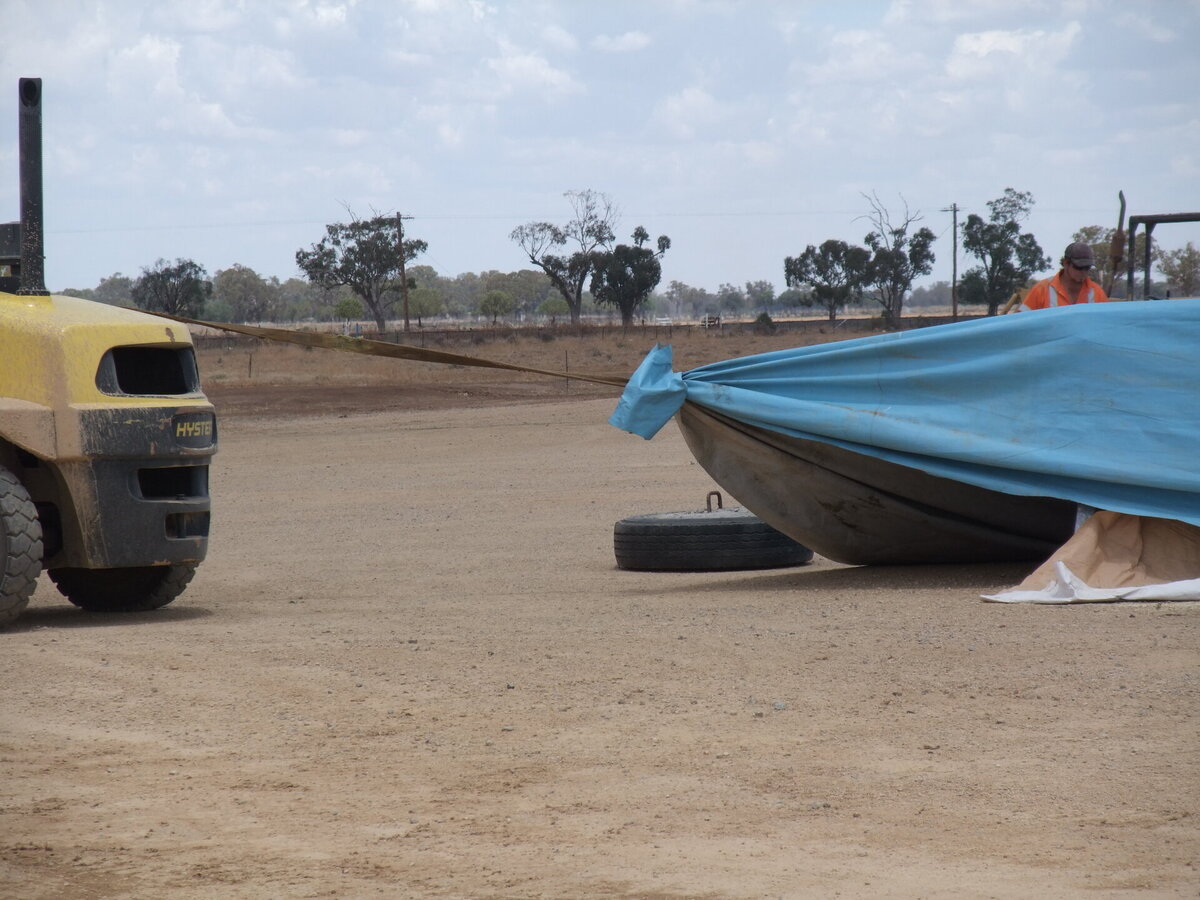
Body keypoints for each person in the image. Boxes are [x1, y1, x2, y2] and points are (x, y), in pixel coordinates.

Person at [1017, 241, 1112, 311]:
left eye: (1087, 268)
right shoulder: (1041, 290)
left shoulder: (1097, 293)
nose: (1083, 272)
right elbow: (1020, 322)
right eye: (1079, 267)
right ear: (1066, 263)